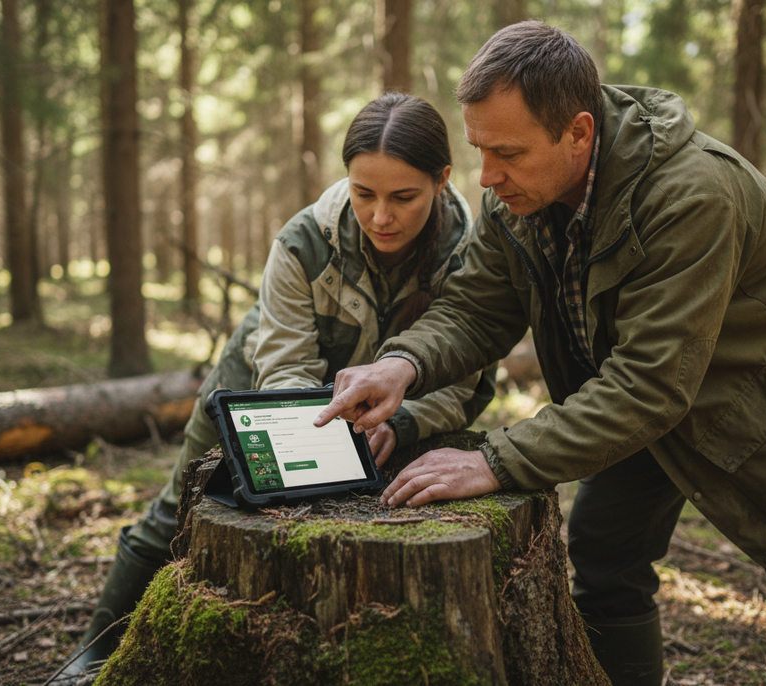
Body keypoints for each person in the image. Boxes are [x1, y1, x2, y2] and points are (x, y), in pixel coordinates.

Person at [315, 21, 766, 686]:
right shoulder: (518, 197)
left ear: (578, 132)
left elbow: (650, 385)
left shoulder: (689, 196)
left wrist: (494, 460)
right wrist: (402, 365)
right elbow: (476, 308)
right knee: (606, 561)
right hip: (644, 399)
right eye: (479, 150)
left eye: (507, 153)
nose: (487, 176)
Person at [51, 92, 495, 683]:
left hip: (394, 416)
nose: (381, 216)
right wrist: (315, 430)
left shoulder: (471, 253)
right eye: (364, 194)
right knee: (176, 511)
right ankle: (92, 653)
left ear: (442, 180)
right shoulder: (303, 243)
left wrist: (401, 422)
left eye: (403, 197)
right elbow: (282, 365)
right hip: (256, 390)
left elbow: (463, 377)